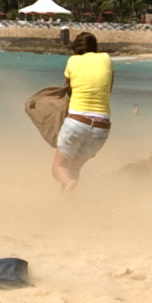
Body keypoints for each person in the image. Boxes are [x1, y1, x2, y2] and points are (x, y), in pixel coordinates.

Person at [51, 32, 114, 192]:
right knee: (74, 169)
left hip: (77, 121)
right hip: (102, 125)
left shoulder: (72, 61)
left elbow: (68, 90)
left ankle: (67, 184)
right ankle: (68, 204)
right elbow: (109, 88)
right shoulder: (106, 59)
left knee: (59, 168)